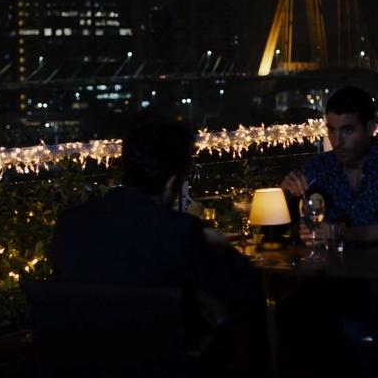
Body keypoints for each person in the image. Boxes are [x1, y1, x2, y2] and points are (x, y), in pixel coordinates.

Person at [51, 116, 267, 375]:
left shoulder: (70, 224)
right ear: (172, 182)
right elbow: (248, 289)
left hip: (81, 365)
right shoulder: (178, 230)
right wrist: (218, 245)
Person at [281, 86, 378, 243]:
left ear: (370, 128)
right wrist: (285, 196)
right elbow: (284, 230)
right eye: (332, 130)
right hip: (327, 265)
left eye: (347, 131)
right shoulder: (320, 167)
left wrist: (347, 234)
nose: (337, 142)